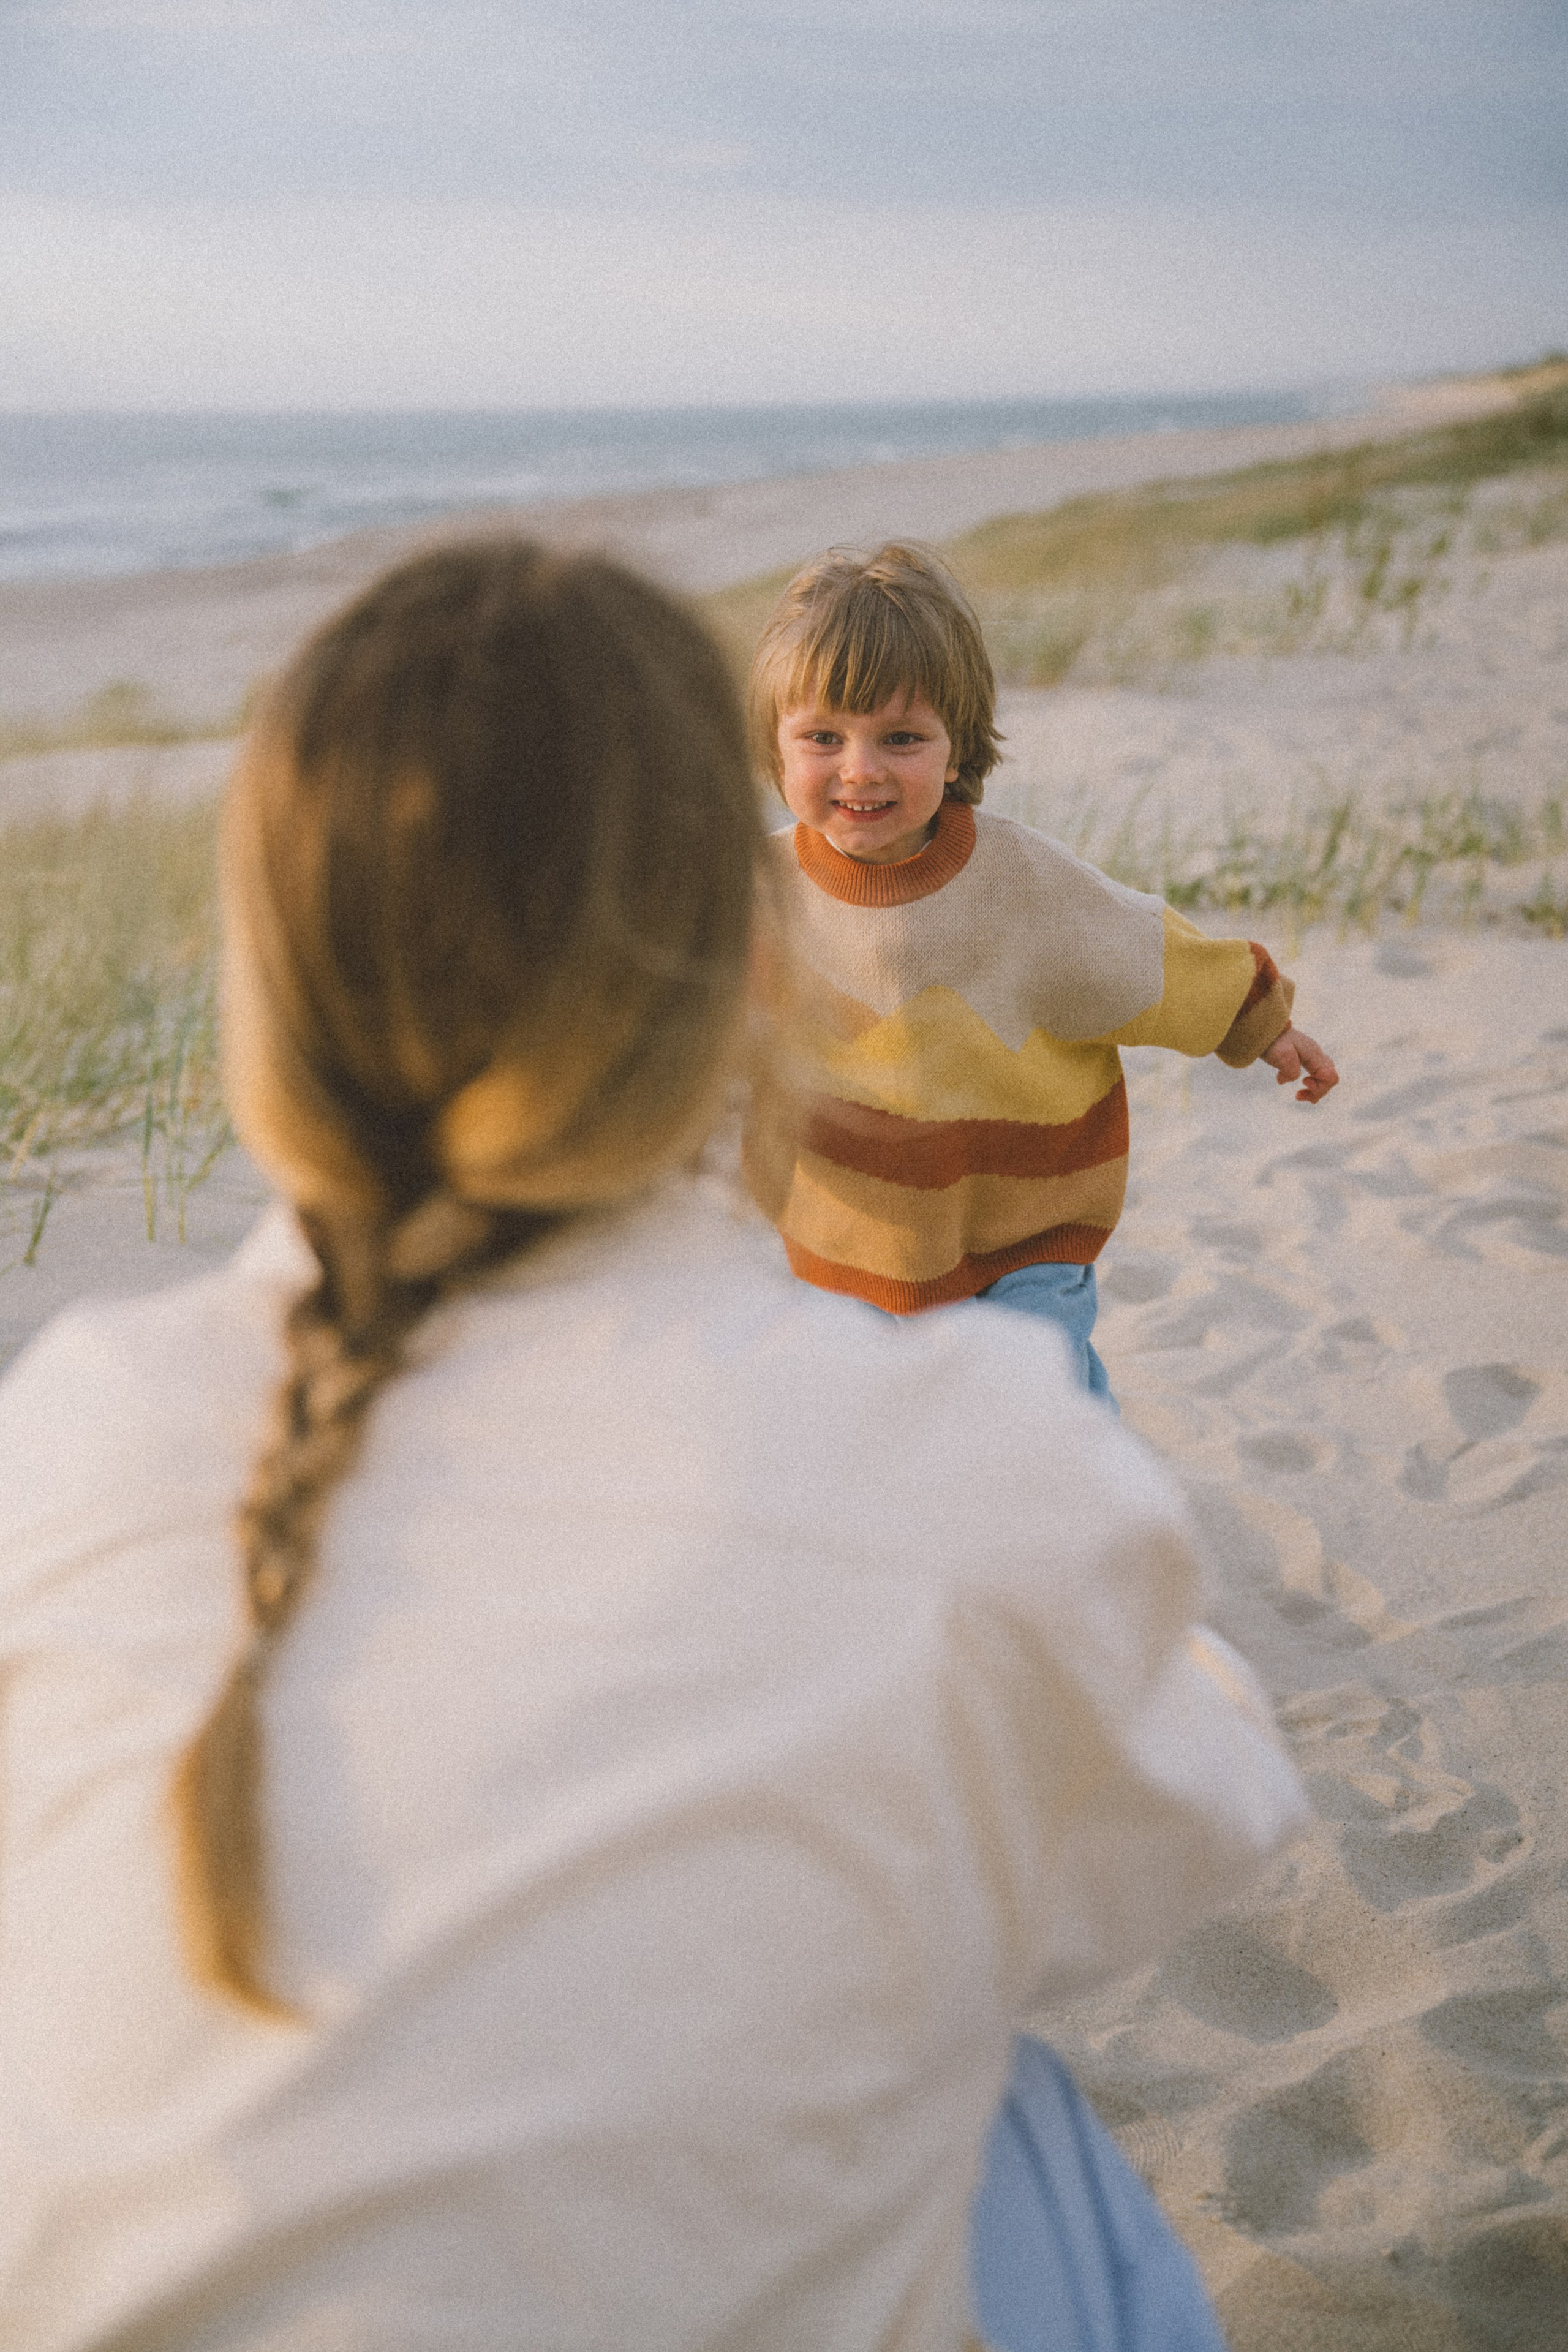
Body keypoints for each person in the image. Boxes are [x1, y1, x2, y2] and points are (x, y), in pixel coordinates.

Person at [0, 541, 1307, 2351]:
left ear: (266, 986)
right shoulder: (949, 1452)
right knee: (1001, 2092)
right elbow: (1197, 1824)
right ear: (742, 972)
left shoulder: (64, 1426)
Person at [747, 543, 1340, 1402]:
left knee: (1044, 1414)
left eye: (902, 738)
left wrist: (1260, 1023)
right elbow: (670, 1007)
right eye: (824, 738)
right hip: (839, 1240)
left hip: (1023, 1236)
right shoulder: (755, 895)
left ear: (956, 750)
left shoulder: (1021, 883)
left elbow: (1142, 953)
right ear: (778, 749)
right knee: (858, 1435)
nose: (862, 768)